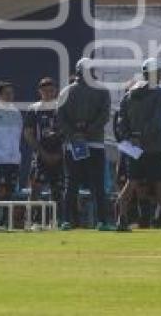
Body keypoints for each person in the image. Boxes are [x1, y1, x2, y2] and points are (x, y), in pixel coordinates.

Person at [115, 59, 161, 232]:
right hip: (154, 147)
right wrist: (142, 136)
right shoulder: (159, 94)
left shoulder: (129, 95)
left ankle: (121, 220)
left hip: (134, 148)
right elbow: (156, 122)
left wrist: (132, 138)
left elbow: (121, 122)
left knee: (131, 184)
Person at [56, 58, 113, 231]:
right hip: (95, 143)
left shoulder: (66, 91)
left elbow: (60, 117)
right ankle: (102, 221)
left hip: (74, 144)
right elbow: (104, 116)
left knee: (71, 184)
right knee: (98, 185)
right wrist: (89, 130)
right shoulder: (102, 91)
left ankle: (66, 221)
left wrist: (75, 133)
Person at [24, 77, 64, 223]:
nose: (48, 93)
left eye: (51, 90)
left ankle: (58, 220)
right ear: (39, 91)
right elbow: (28, 134)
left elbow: (67, 131)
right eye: (45, 90)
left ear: (56, 91)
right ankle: (31, 221)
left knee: (58, 190)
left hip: (60, 156)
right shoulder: (34, 109)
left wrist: (60, 153)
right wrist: (42, 153)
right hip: (41, 156)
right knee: (35, 189)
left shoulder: (61, 107)